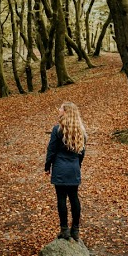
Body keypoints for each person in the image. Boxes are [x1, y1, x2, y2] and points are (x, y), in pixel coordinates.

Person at [44, 101, 87, 242]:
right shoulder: (80, 131)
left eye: (61, 108)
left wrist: (47, 166)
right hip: (74, 169)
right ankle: (75, 230)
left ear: (66, 112)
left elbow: (51, 150)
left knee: (61, 198)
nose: (59, 109)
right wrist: (77, 166)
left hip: (60, 169)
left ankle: (64, 230)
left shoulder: (57, 130)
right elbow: (82, 153)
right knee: (74, 198)